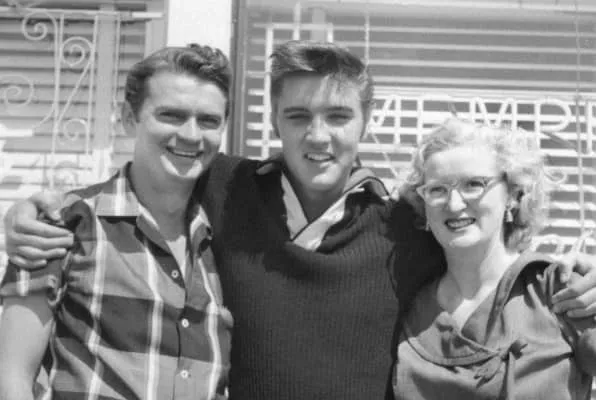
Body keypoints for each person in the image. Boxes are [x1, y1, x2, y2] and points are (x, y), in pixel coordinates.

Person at [4, 41, 596, 400]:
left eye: (338, 116)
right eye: (298, 116)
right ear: (273, 119)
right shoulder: (225, 188)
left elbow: (482, 245)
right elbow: (148, 178)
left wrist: (575, 277)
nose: (318, 136)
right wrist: (34, 208)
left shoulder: (406, 226)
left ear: (366, 119)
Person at [0, 44, 233, 400]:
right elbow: (11, 376)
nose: (191, 134)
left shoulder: (229, 236)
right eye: (171, 115)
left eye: (208, 121)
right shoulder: (62, 226)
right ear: (128, 118)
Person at [393, 118, 596, 399]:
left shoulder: (558, 291)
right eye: (437, 189)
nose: (454, 204)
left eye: (473, 184)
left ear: (512, 195)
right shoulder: (407, 304)